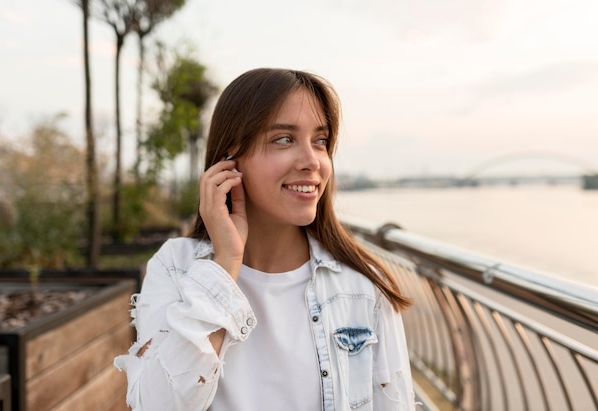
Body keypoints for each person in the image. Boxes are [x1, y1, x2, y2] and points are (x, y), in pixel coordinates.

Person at [114, 68, 416, 410]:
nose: (311, 161)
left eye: (320, 140)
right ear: (230, 160)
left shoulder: (362, 287)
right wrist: (225, 265)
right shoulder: (175, 267)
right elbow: (157, 405)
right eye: (284, 139)